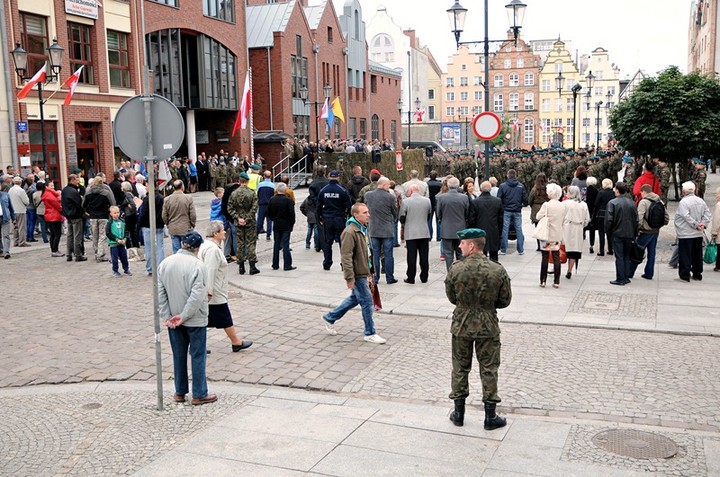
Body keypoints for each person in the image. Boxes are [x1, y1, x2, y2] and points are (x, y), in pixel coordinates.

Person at [445, 228, 512, 429]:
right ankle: (490, 417)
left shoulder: (456, 269)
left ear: (472, 245)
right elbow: (505, 300)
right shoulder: (497, 270)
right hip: (488, 326)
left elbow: (452, 298)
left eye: (462, 243)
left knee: (460, 368)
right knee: (489, 369)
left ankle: (458, 413)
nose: (459, 246)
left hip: (462, 325)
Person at [158, 231, 217, 406]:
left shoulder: (165, 263)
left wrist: (168, 316)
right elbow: (197, 295)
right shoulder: (198, 265)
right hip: (194, 319)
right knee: (198, 355)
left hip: (173, 319)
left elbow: (160, 293)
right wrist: (183, 316)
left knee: (178, 355)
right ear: (198, 248)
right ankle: (199, 393)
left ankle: (180, 391)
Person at [321, 203, 386, 344]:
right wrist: (349, 278)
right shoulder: (350, 232)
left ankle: (330, 317)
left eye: (368, 212)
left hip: (365, 271)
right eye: (365, 212)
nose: (368, 214)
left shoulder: (363, 229)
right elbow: (346, 257)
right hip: (358, 273)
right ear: (356, 215)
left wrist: (372, 271)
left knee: (355, 298)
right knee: (367, 302)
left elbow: (367, 252)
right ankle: (370, 332)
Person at [199, 221, 253, 352]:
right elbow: (210, 270)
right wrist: (209, 290)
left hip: (213, 290)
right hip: (215, 291)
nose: (225, 231)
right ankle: (236, 342)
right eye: (222, 230)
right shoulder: (212, 249)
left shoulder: (206, 245)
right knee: (224, 317)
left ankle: (197, 344)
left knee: (204, 320)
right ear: (215, 233)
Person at [630, 184, 669, 280]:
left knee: (637, 252)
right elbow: (666, 218)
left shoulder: (644, 202)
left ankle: (630, 272)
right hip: (655, 231)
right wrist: (658, 226)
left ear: (644, 191)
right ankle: (649, 273)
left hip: (645, 231)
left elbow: (639, 218)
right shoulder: (659, 200)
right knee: (652, 253)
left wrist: (637, 229)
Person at [674, 181, 711, 282]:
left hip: (686, 233)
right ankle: (697, 274)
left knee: (685, 254)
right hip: (698, 233)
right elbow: (707, 214)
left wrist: (696, 224)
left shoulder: (684, 202)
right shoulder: (701, 201)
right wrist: (703, 224)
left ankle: (684, 275)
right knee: (697, 254)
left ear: (684, 191)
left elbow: (686, 216)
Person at [365, 177, 398, 284]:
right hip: (387, 230)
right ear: (383, 185)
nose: (389, 187)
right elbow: (395, 212)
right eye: (388, 185)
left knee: (375, 254)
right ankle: (389, 277)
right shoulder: (390, 197)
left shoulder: (368, 195)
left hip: (373, 229)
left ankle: (375, 277)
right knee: (388, 255)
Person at [317, 170, 352, 271]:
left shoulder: (323, 191)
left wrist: (320, 217)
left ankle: (327, 263)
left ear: (329, 177)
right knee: (343, 242)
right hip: (339, 218)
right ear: (338, 177)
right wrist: (348, 217)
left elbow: (318, 206)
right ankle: (344, 264)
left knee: (328, 241)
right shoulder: (342, 190)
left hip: (327, 218)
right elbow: (349, 205)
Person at [605, 182, 638, 286]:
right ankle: (626, 276)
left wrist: (608, 231)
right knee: (627, 255)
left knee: (619, 256)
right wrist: (634, 232)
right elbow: (636, 219)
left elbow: (609, 220)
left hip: (617, 233)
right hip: (629, 233)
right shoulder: (631, 203)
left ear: (617, 190)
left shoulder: (612, 203)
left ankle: (620, 278)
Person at [227, 172, 259, 275]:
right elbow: (254, 208)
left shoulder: (234, 193)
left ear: (239, 181)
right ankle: (252, 266)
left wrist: (238, 218)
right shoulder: (252, 193)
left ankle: (241, 266)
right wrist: (247, 219)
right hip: (249, 223)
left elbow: (229, 208)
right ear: (247, 181)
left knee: (240, 244)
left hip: (238, 222)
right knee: (250, 243)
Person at [399, 184, 431, 284]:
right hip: (424, 231)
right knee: (424, 256)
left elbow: (402, 217)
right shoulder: (427, 201)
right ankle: (424, 276)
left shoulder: (406, 201)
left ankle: (411, 277)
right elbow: (429, 215)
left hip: (411, 232)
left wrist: (405, 224)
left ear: (411, 191)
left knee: (411, 256)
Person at [536, 183, 565, 288]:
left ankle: (543, 280)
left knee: (545, 257)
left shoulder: (546, 205)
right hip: (557, 233)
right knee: (556, 256)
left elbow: (538, 216)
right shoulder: (562, 205)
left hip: (546, 234)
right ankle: (556, 281)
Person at [436, 177, 468, 270]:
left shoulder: (441, 197)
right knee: (461, 253)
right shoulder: (464, 197)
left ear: (448, 186)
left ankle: (450, 273)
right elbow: (467, 213)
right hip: (461, 229)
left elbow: (438, 214)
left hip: (447, 229)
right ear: (458, 185)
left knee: (448, 254)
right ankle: (460, 273)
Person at [468, 181, 503, 262]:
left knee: (480, 256)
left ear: (481, 189)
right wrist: (499, 231)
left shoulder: (475, 202)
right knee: (494, 257)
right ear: (490, 190)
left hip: (479, 232)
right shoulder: (497, 201)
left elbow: (471, 219)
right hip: (494, 231)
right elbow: (500, 219)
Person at [84, 176, 116, 262]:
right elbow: (113, 203)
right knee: (102, 236)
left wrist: (88, 211)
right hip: (103, 215)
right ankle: (100, 254)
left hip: (93, 216)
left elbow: (83, 204)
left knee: (95, 235)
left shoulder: (88, 192)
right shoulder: (106, 193)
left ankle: (96, 252)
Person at [562, 186, 591, 279]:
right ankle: (569, 270)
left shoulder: (565, 204)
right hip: (578, 228)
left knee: (563, 248)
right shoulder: (583, 204)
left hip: (566, 228)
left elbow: (561, 216)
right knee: (574, 251)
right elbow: (587, 219)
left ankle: (556, 267)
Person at [497, 169, 528, 255]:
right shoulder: (521, 186)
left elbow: (499, 198)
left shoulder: (503, 186)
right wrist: (522, 205)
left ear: (507, 176)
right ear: (515, 176)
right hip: (517, 210)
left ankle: (503, 249)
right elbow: (525, 199)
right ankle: (520, 249)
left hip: (506, 210)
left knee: (505, 229)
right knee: (518, 229)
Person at [267, 183, 296, 271]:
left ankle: (275, 264)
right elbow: (292, 214)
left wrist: (274, 219)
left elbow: (269, 213)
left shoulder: (272, 199)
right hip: (286, 224)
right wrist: (292, 223)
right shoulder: (288, 201)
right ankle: (287, 265)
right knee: (285, 244)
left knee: (276, 244)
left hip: (277, 224)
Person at [162, 180, 197, 254]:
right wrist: (192, 224)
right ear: (182, 187)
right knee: (188, 250)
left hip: (173, 227)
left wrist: (168, 223)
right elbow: (193, 214)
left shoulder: (167, 199)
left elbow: (164, 215)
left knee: (176, 250)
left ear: (173, 188)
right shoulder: (188, 198)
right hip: (186, 227)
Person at [138, 185, 165, 275]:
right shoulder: (162, 198)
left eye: (146, 186)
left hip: (147, 225)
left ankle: (150, 267)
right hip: (159, 224)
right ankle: (160, 266)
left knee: (149, 247)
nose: (145, 188)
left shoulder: (147, 199)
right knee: (160, 246)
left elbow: (144, 212)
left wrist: (140, 223)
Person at [61, 174, 87, 262]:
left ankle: (69, 254)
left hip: (68, 215)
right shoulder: (73, 191)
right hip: (76, 215)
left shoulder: (65, 190)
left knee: (70, 235)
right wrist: (83, 212)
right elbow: (79, 204)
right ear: (72, 180)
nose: (78, 181)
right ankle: (78, 254)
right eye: (77, 180)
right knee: (77, 236)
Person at [105, 205, 132, 277]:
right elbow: (108, 233)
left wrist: (125, 238)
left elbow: (126, 231)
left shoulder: (122, 221)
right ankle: (115, 270)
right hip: (114, 243)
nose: (117, 214)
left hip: (122, 242)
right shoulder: (109, 223)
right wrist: (116, 239)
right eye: (114, 213)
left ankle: (126, 269)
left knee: (124, 256)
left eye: (118, 212)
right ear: (111, 214)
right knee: (115, 258)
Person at [593, 178, 615, 256]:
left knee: (601, 233)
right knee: (610, 233)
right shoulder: (613, 193)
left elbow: (596, 204)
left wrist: (594, 215)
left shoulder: (601, 193)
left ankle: (601, 250)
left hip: (601, 215)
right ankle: (610, 249)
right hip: (610, 214)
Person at [528, 173, 549, 252]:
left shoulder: (534, 189)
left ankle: (539, 246)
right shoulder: (547, 188)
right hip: (545, 208)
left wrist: (533, 206)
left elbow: (530, 200)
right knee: (546, 228)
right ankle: (546, 244)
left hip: (536, 209)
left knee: (538, 228)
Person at [42, 181, 64, 257]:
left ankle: (53, 250)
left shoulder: (47, 194)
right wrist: (62, 210)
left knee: (53, 234)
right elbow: (57, 206)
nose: (53, 187)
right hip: (54, 215)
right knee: (57, 234)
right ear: (46, 187)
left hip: (49, 215)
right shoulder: (50, 196)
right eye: (51, 185)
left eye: (53, 185)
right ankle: (55, 250)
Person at [8, 176, 29, 248]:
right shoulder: (21, 190)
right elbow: (26, 201)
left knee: (15, 227)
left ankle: (16, 241)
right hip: (20, 210)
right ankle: (22, 242)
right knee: (22, 227)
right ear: (21, 182)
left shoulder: (10, 190)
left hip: (13, 210)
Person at [256, 171, 276, 240]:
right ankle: (268, 235)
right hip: (269, 205)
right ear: (271, 176)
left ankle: (257, 234)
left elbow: (257, 194)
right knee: (269, 220)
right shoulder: (273, 185)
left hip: (261, 204)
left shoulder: (260, 185)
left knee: (260, 220)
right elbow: (274, 196)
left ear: (264, 176)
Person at [584, 177, 599, 254]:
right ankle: (591, 245)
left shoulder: (585, 191)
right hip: (593, 212)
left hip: (585, 211)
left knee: (583, 227)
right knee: (592, 230)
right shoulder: (597, 191)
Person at [426, 170, 442, 241]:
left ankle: (429, 236)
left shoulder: (427, 184)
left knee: (429, 220)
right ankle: (439, 236)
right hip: (437, 203)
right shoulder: (439, 184)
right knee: (438, 220)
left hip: (429, 203)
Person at [0, 187, 14, 259]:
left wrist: (13, 217)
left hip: (5, 217)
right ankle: (1, 251)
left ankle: (6, 252)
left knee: (6, 235)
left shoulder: (5, 195)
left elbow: (10, 207)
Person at [710, 187, 720, 272]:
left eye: (717, 194)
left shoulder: (719, 205)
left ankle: (718, 266)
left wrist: (714, 231)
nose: (716, 196)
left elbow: (717, 219)